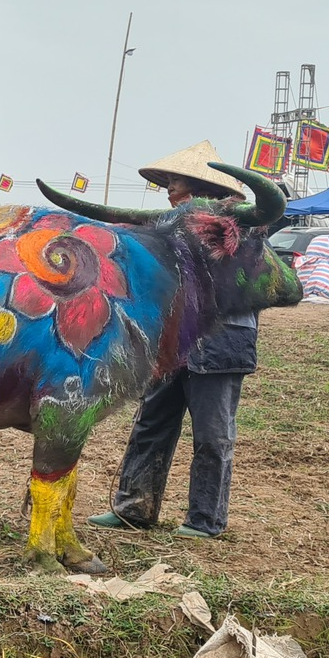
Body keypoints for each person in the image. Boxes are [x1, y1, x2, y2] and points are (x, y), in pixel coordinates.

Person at [89, 141, 260, 540]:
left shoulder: (244, 228)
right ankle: (135, 507)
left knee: (213, 435)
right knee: (152, 423)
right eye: (167, 183)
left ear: (202, 189)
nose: (168, 189)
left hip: (222, 342)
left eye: (176, 183)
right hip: (173, 339)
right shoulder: (167, 226)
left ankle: (205, 520)